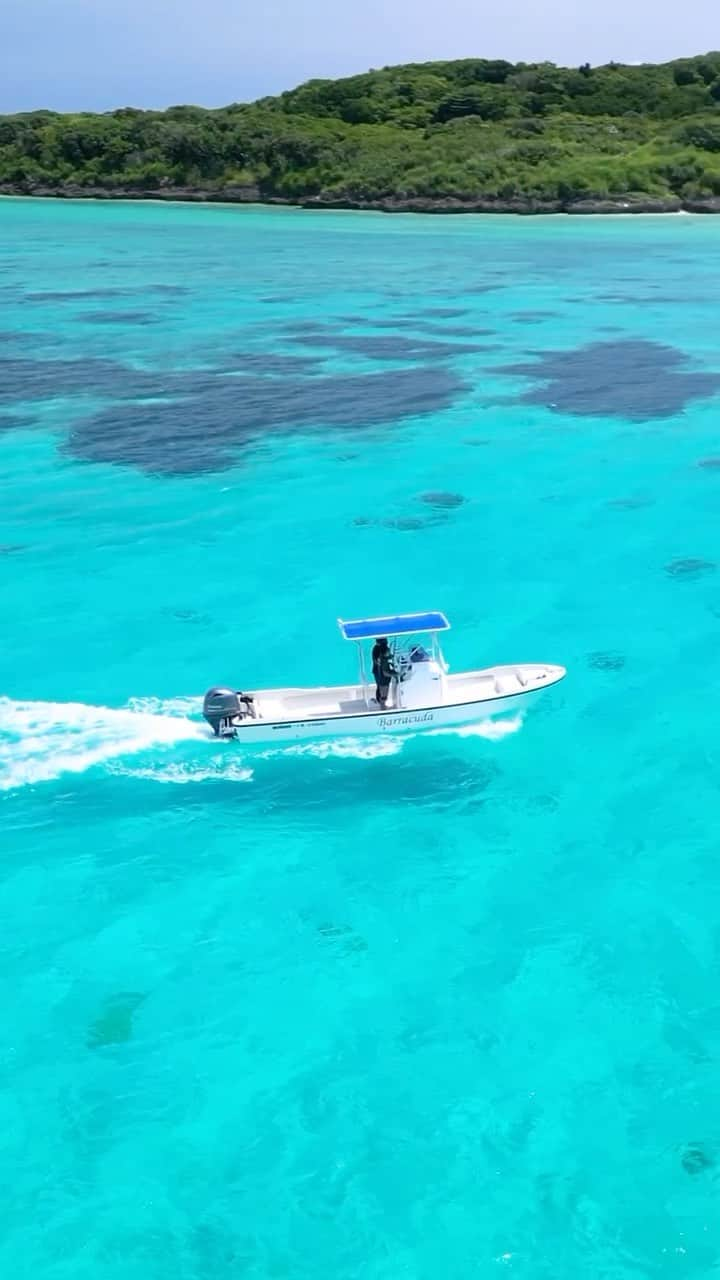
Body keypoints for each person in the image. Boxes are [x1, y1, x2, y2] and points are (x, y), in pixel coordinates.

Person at [371, 637, 395, 708]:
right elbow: (380, 660)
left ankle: (381, 703)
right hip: (380, 673)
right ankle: (382, 705)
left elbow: (387, 656)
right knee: (383, 688)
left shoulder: (378, 648)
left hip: (379, 671)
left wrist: (390, 658)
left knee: (380, 687)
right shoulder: (379, 649)